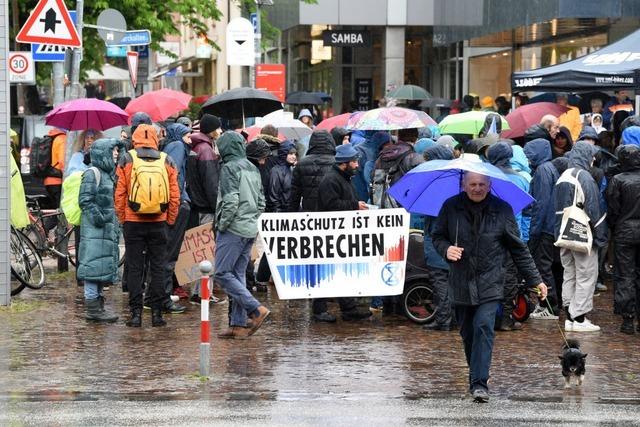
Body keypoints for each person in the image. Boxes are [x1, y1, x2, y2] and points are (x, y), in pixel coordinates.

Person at [432, 172, 547, 402]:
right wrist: (446, 249)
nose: (477, 188)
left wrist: (536, 280)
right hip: (461, 281)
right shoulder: (451, 207)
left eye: (482, 184)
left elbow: (518, 249)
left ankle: (479, 383)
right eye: (473, 184)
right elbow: (436, 236)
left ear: (489, 185)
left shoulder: (502, 209)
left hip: (491, 281)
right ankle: (475, 376)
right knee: (468, 333)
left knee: (484, 327)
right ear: (464, 185)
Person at [115, 124, 180, 327]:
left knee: (135, 267)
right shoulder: (166, 159)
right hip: (158, 222)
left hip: (133, 222)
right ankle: (157, 314)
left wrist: (123, 218)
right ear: (155, 138)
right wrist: (169, 219)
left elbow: (119, 193)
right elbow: (175, 196)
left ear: (134, 138)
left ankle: (135, 315)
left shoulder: (127, 158)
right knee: (158, 267)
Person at [214, 131, 270, 339]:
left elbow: (230, 201)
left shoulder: (229, 168)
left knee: (221, 273)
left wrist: (222, 225)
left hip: (233, 229)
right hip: (249, 229)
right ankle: (237, 325)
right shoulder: (252, 167)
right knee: (237, 275)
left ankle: (255, 309)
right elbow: (261, 202)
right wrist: (252, 221)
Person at [315, 144, 372, 322]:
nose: (357, 165)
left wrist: (356, 204)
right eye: (354, 162)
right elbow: (331, 205)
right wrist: (354, 206)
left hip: (341, 232)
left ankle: (348, 308)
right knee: (326, 271)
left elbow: (343, 200)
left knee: (341, 270)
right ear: (344, 163)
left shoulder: (343, 177)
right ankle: (319, 309)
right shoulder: (331, 180)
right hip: (330, 233)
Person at [554, 142, 607, 332]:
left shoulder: (563, 176)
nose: (593, 159)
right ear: (586, 156)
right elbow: (593, 208)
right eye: (591, 155)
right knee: (586, 275)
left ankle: (569, 315)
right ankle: (579, 317)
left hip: (563, 233)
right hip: (582, 233)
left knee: (569, 273)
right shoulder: (583, 176)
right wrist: (601, 237)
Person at [486, 142, 532, 331]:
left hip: (488, 234)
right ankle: (505, 319)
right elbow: (527, 211)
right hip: (513, 235)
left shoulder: (486, 177)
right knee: (510, 278)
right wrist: (524, 238)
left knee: (489, 277)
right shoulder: (521, 180)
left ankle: (489, 316)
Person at [77, 138, 121, 323]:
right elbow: (85, 200)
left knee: (100, 269)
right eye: (113, 151)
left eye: (118, 150)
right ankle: (93, 309)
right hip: (95, 230)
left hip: (105, 231)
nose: (117, 154)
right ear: (103, 153)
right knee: (92, 269)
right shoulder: (92, 173)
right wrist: (101, 218)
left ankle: (98, 306)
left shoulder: (109, 174)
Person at [524, 138, 562, 320]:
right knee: (551, 266)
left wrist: (534, 231)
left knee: (543, 267)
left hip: (545, 227)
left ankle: (549, 305)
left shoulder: (542, 171)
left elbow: (541, 203)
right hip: (551, 226)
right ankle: (554, 304)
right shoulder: (549, 168)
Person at [606, 144, 640, 334]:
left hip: (624, 232)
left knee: (625, 275)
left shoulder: (618, 180)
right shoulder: (619, 179)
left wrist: (615, 226)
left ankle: (627, 318)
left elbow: (613, 209)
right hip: (626, 229)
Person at [158, 123, 193, 308]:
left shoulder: (171, 146)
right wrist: (181, 200)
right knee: (170, 252)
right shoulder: (178, 147)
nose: (190, 140)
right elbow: (175, 174)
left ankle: (161, 292)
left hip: (175, 203)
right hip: (178, 204)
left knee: (165, 251)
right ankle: (164, 293)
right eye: (188, 136)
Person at [421, 145, 455, 331]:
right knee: (451, 282)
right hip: (454, 243)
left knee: (440, 282)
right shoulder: (458, 181)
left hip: (438, 245)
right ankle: (453, 317)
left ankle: (443, 320)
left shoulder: (436, 185)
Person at [186, 113, 222, 229]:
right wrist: (218, 208)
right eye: (218, 128)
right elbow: (211, 183)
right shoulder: (206, 150)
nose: (220, 131)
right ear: (211, 131)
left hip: (197, 207)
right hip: (206, 210)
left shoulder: (197, 147)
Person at [289, 130, 336, 213]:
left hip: (309, 214)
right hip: (332, 215)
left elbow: (294, 195)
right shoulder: (337, 163)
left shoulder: (301, 164)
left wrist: (292, 214)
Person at [267, 140, 297, 213]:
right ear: (284, 154)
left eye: (295, 154)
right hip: (282, 214)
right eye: (290, 154)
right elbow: (273, 197)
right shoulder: (276, 171)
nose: (294, 156)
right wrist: (278, 215)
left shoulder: (292, 169)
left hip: (292, 212)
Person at [44, 128, 67, 208]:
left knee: (54, 208)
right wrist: (67, 175)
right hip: (58, 180)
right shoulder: (62, 139)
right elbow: (62, 161)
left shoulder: (51, 137)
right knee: (59, 209)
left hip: (48, 179)